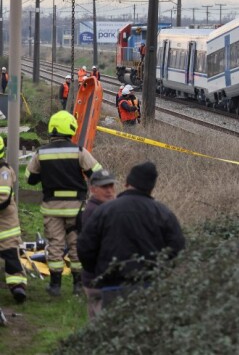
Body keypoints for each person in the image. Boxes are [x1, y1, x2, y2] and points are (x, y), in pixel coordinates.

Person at [77, 161, 185, 308]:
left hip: (110, 286)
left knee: (110, 328)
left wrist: (98, 272)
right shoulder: (164, 214)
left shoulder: (104, 211)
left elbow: (85, 247)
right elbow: (177, 249)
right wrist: (159, 274)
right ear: (152, 187)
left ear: (127, 183)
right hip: (149, 287)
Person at [27, 110, 104, 296]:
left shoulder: (41, 153)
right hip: (76, 208)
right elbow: (98, 173)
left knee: (55, 243)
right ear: (70, 129)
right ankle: (78, 285)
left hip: (52, 208)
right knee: (76, 244)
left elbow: (30, 179)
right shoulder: (79, 152)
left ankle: (55, 285)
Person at [77, 168, 117, 319]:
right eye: (104, 187)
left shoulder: (105, 208)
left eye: (111, 186)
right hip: (98, 279)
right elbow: (88, 248)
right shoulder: (95, 212)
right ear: (93, 189)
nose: (109, 191)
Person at [0, 136, 27, 303]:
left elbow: (3, 198)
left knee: (10, 255)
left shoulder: (4, 172)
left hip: (5, 224)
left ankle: (18, 287)